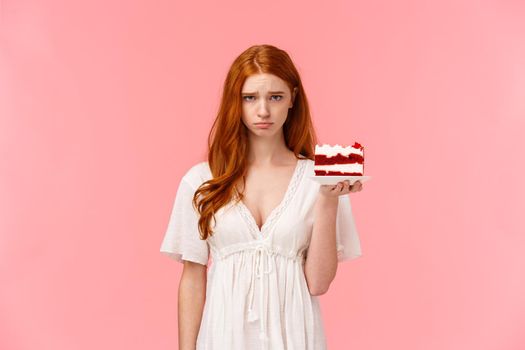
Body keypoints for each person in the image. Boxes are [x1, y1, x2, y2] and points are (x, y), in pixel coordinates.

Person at [160, 44, 364, 350]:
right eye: (250, 98)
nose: (263, 110)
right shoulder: (201, 180)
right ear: (235, 102)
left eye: (276, 97)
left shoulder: (321, 178)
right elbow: (192, 277)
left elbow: (318, 283)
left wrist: (328, 199)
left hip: (295, 339)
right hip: (222, 339)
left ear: (293, 98)